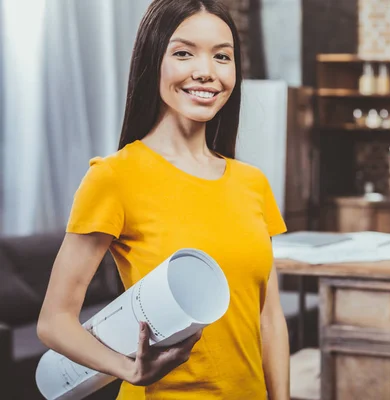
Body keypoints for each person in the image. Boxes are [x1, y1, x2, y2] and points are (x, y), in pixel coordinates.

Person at [36, 0, 290, 399]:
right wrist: (128, 369)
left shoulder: (252, 183)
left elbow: (269, 317)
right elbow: (54, 322)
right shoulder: (114, 176)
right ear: (154, 60)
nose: (206, 71)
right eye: (184, 52)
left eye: (222, 56)